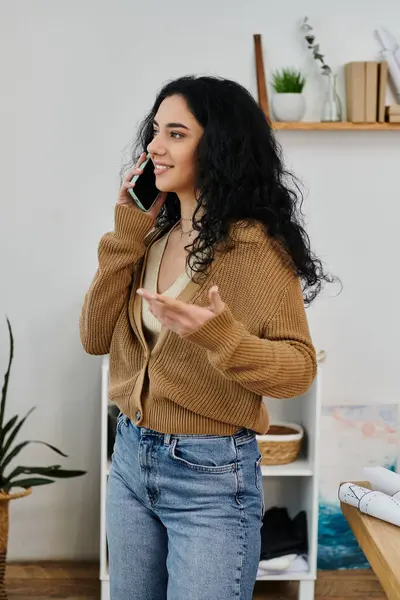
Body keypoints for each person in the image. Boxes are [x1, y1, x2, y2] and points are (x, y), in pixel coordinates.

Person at [80, 75, 329, 600]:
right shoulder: (150, 238)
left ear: (217, 146)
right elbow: (94, 337)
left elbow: (299, 368)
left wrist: (221, 337)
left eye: (175, 133)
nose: (154, 147)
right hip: (129, 461)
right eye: (154, 132)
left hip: (210, 477)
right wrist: (125, 233)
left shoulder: (255, 249)